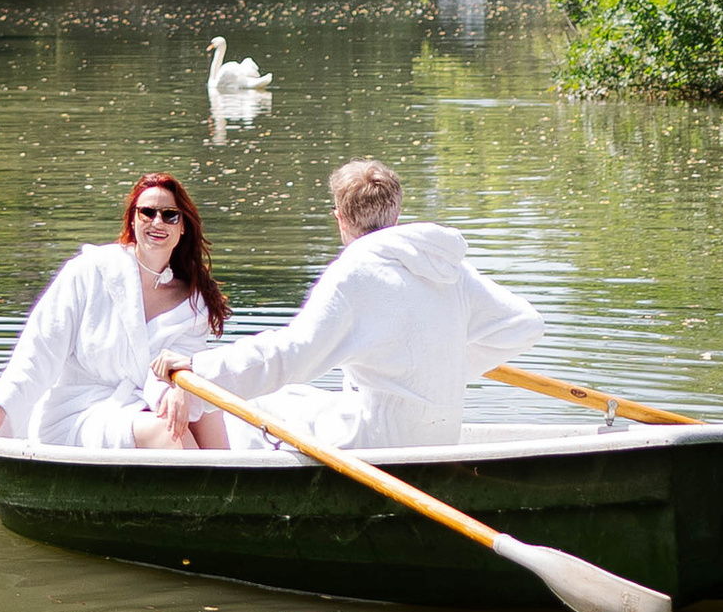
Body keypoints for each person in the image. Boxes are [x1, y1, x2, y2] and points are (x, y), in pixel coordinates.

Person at [150, 155, 538, 453]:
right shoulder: (445, 266)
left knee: (250, 409)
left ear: (339, 218)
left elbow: (293, 354)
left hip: (379, 445)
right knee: (286, 398)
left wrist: (201, 370)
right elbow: (524, 325)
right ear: (397, 213)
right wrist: (445, 364)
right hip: (437, 434)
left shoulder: (355, 270)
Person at [0, 173, 236, 452]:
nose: (157, 222)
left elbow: (177, 368)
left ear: (183, 226)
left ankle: (230, 489)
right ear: (133, 220)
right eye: (147, 212)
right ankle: (202, 495)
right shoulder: (89, 273)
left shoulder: (192, 302)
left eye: (169, 215)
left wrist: (178, 390)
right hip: (81, 409)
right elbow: (39, 350)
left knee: (207, 406)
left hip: (143, 402)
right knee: (169, 431)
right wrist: (1, 406)